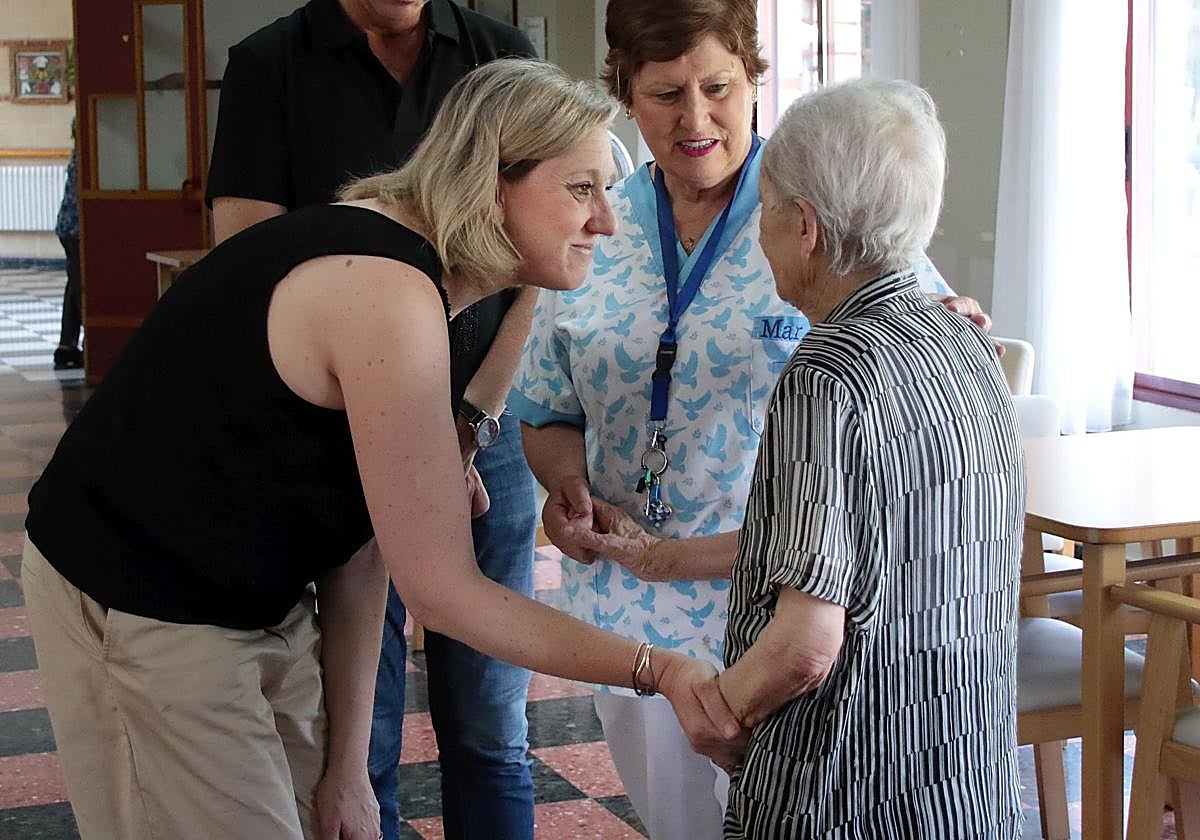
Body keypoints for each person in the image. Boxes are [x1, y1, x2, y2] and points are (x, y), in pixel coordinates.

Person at [22, 59, 743, 840]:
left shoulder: (436, 278)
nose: (607, 220)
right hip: (142, 598)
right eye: (581, 189)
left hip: (258, 596)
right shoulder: (388, 293)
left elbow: (363, 543)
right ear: (488, 184)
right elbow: (443, 593)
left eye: (608, 188)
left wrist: (349, 768)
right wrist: (656, 668)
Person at [509, 2, 993, 837]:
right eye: (666, 95)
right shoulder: (597, 219)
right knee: (679, 824)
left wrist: (959, 321)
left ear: (753, 79)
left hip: (797, 612)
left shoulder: (822, 199)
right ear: (626, 94)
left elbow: (917, 344)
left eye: (718, 88)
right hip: (632, 610)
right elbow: (546, 405)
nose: (695, 120)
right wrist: (565, 487)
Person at [204, 2, 541, 836]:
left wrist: (473, 416)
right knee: (361, 728)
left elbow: (539, 262)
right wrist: (390, 423)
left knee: (491, 722)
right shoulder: (270, 63)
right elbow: (250, 264)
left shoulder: (498, 51)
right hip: (341, 432)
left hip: (483, 421)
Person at [53, 127, 82, 370]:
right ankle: (80, 344)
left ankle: (67, 345)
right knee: (80, 286)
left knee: (75, 285)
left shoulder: (81, 152)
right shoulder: (89, 155)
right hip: (76, 229)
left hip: (69, 227)